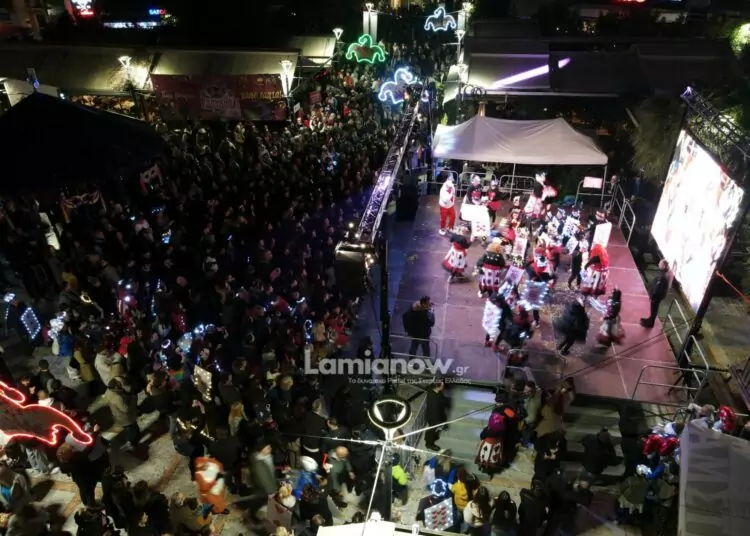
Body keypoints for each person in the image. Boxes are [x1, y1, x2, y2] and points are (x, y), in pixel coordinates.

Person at [641, 259, 670, 328]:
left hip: (656, 296)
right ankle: (650, 319)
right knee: (653, 308)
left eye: (660, 264)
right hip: (658, 296)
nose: (658, 264)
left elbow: (658, 288)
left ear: (663, 266)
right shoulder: (663, 274)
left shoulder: (662, 276)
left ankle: (651, 323)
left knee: (654, 309)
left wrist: (653, 296)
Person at [425, 380, 448, 451]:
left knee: (433, 430)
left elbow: (441, 399)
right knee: (432, 431)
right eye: (442, 385)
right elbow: (433, 414)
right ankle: (429, 444)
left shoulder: (435, 391)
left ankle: (431, 437)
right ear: (437, 387)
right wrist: (439, 424)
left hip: (438, 415)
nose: (443, 386)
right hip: (434, 419)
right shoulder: (433, 400)